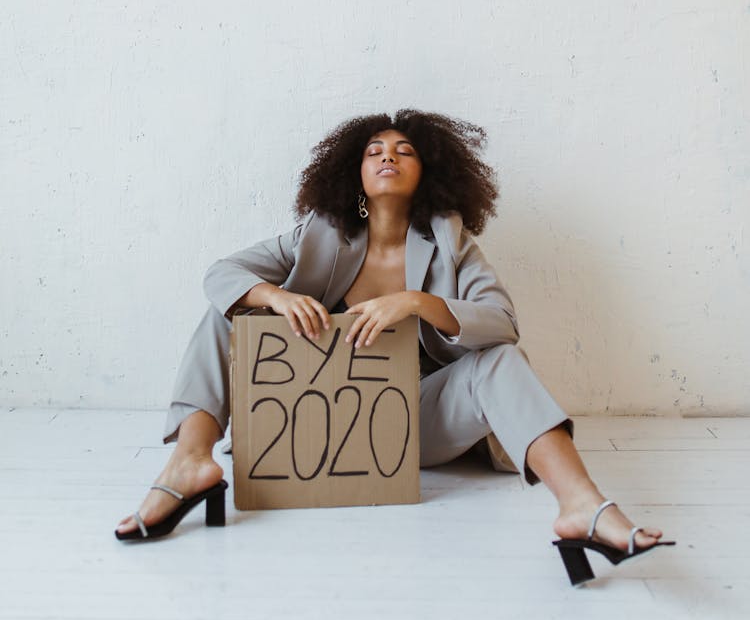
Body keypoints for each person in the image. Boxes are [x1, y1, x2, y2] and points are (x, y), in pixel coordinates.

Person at [115, 110, 672, 584]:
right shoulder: (318, 233)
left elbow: (502, 322)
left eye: (405, 151)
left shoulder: (452, 244)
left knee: (500, 360)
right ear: (354, 173)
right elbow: (222, 273)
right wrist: (272, 297)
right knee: (226, 312)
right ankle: (190, 464)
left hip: (408, 423)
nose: (388, 156)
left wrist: (414, 301)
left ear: (426, 172)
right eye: (374, 150)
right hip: (310, 422)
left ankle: (581, 506)